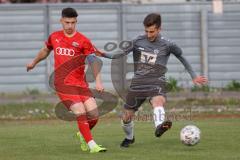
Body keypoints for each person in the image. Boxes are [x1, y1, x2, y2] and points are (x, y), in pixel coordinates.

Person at [116, 13, 208, 147]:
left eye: (152, 31)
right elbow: (120, 53)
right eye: (146, 31)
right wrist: (103, 54)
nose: (148, 34)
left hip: (156, 81)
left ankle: (160, 126)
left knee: (158, 101)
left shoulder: (168, 44)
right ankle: (129, 138)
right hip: (138, 84)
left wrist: (193, 76)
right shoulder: (137, 41)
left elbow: (182, 57)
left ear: (159, 29)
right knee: (126, 117)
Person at [26, 7, 107, 153]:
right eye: (67, 22)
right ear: (61, 21)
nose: (70, 26)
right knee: (80, 111)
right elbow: (45, 50)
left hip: (80, 83)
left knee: (94, 115)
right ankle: (92, 145)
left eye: (73, 23)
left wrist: (98, 81)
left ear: (76, 22)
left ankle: (83, 134)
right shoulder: (54, 37)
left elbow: (93, 61)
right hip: (63, 83)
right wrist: (33, 62)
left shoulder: (83, 41)